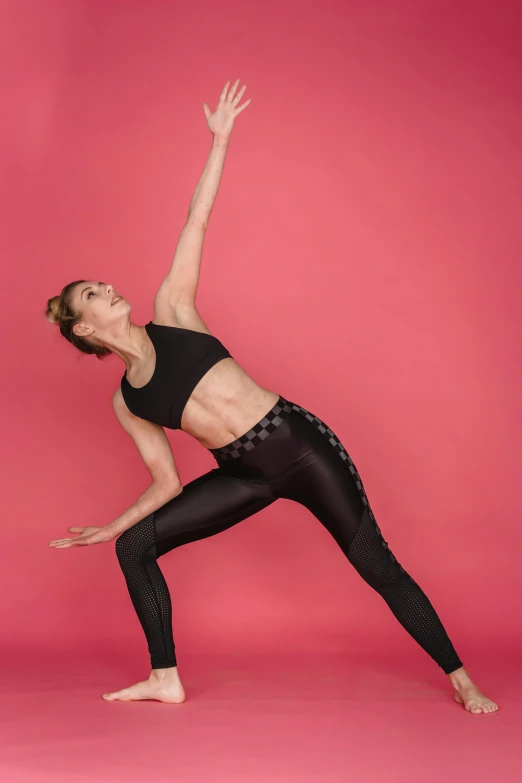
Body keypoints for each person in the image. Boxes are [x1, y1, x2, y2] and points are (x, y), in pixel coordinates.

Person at [46, 79, 497, 714]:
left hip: (298, 444)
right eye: (92, 293)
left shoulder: (174, 310)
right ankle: (165, 677)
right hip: (244, 474)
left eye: (102, 282)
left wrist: (220, 142)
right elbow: (166, 483)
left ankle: (462, 679)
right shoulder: (128, 402)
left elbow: (195, 220)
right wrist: (111, 527)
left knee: (378, 568)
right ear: (86, 329)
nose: (107, 287)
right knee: (135, 547)